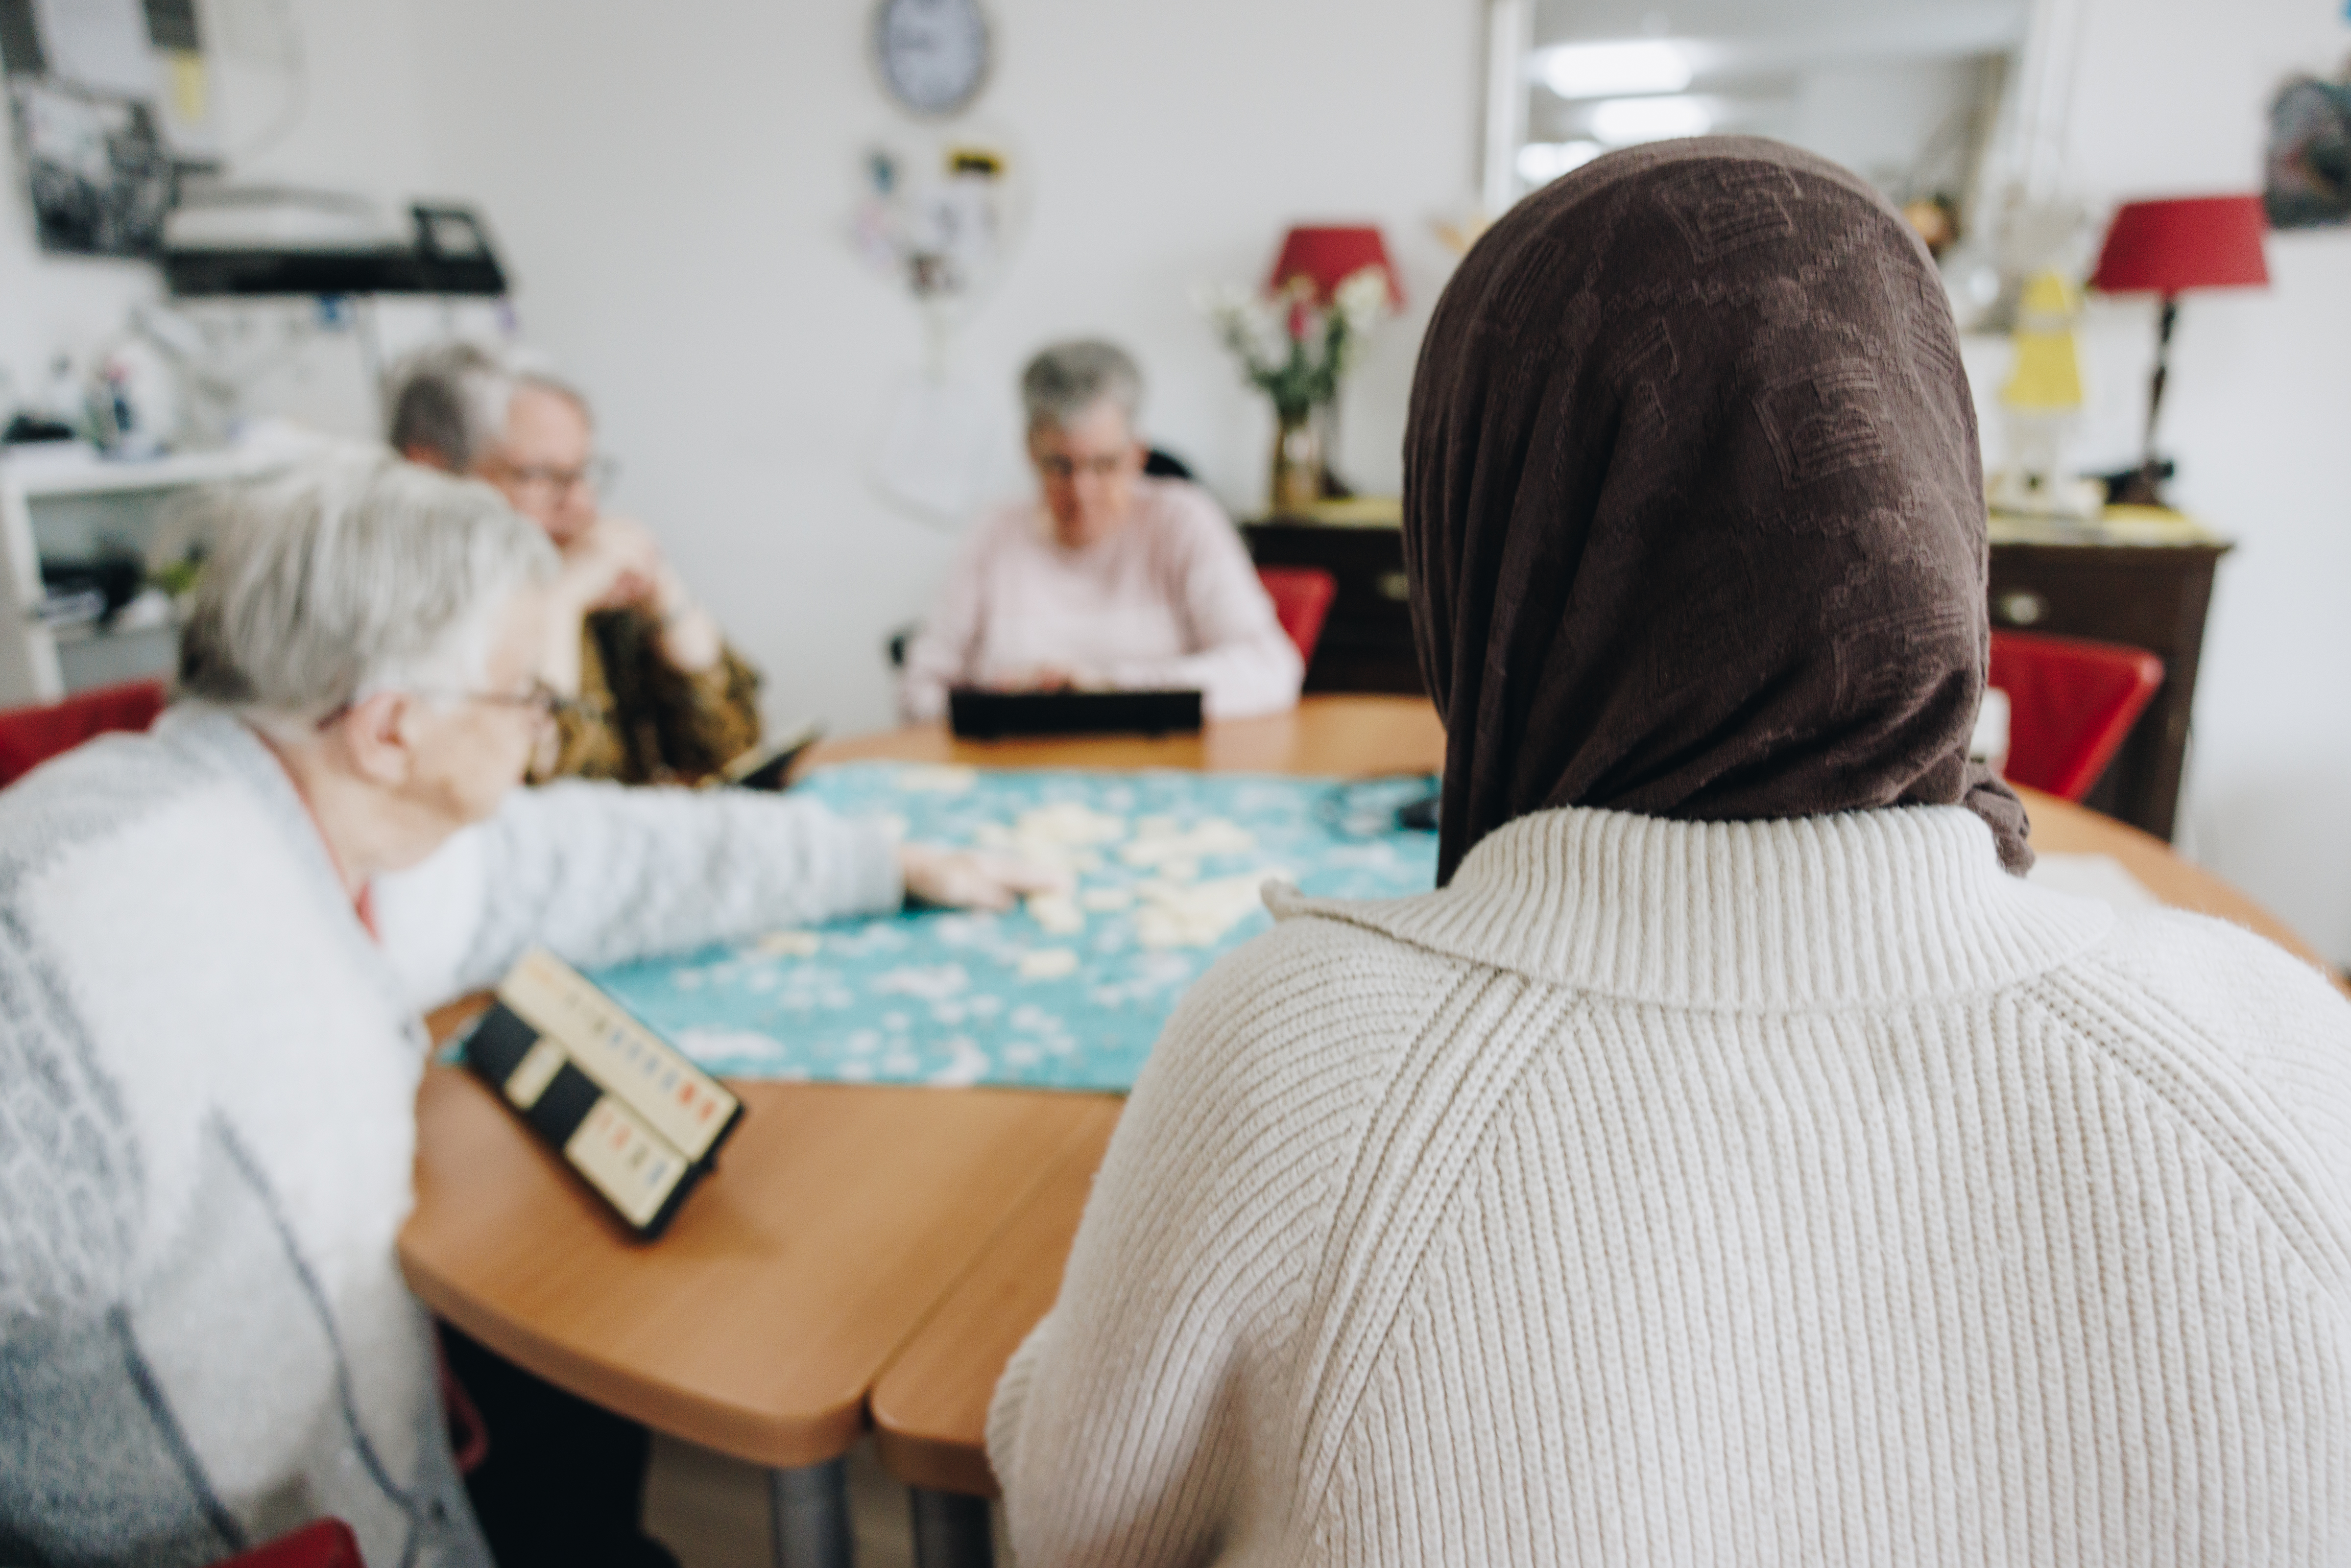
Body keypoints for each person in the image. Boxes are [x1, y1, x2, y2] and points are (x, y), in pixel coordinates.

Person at [986, 140, 2351, 1564]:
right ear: (1930, 486)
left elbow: (1073, 1516)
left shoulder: (1294, 1054)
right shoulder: (2291, 1044)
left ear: (1477, 529)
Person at [0, 456, 1045, 1568]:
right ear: (391, 728)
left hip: (398, 1498)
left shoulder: (346, 822)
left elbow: (594, 857)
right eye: (532, 702)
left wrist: (876, 860)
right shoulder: (73, 936)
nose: (547, 739)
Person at [387, 342, 761, 784]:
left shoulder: (589, 569)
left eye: (583, 472)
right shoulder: (411, 619)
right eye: (539, 476)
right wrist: (559, 601)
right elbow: (539, 798)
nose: (581, 505)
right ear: (430, 471)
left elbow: (732, 754)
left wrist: (670, 603)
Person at [898, 339, 1303, 722]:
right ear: (1030, 451)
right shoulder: (993, 535)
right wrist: (998, 699)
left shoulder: (1183, 520)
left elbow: (1270, 669)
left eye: (1104, 465)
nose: (1082, 492)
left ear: (1137, 454)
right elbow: (918, 692)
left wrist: (1110, 688)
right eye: (1060, 466)